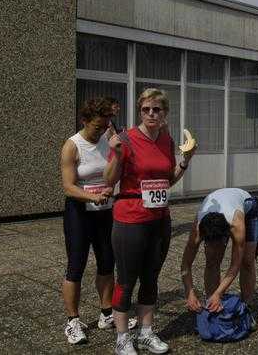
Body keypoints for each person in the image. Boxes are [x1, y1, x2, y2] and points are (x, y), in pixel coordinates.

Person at [104, 88, 196, 355]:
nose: (151, 114)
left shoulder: (166, 140)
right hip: (130, 218)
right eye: (146, 110)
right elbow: (109, 180)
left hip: (159, 219)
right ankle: (122, 337)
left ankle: (145, 332)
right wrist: (117, 155)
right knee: (126, 279)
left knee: (151, 277)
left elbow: (168, 180)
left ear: (165, 113)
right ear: (140, 112)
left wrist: (185, 161)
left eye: (157, 109)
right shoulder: (126, 139)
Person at [60, 98, 136, 345]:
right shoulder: (72, 146)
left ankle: (106, 314)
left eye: (105, 126)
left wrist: (112, 185)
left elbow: (115, 171)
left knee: (107, 263)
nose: (101, 131)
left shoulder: (107, 139)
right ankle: (73, 321)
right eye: (96, 127)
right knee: (76, 266)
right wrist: (92, 196)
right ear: (84, 121)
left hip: (105, 211)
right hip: (79, 213)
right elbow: (68, 187)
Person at [180, 188, 258, 320]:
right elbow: (185, 264)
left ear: (226, 236)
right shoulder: (198, 230)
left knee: (247, 261)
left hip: (248, 206)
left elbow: (235, 266)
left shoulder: (236, 225)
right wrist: (189, 293)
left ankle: (246, 307)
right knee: (212, 260)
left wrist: (219, 293)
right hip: (221, 203)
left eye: (219, 244)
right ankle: (211, 304)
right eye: (210, 244)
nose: (214, 247)